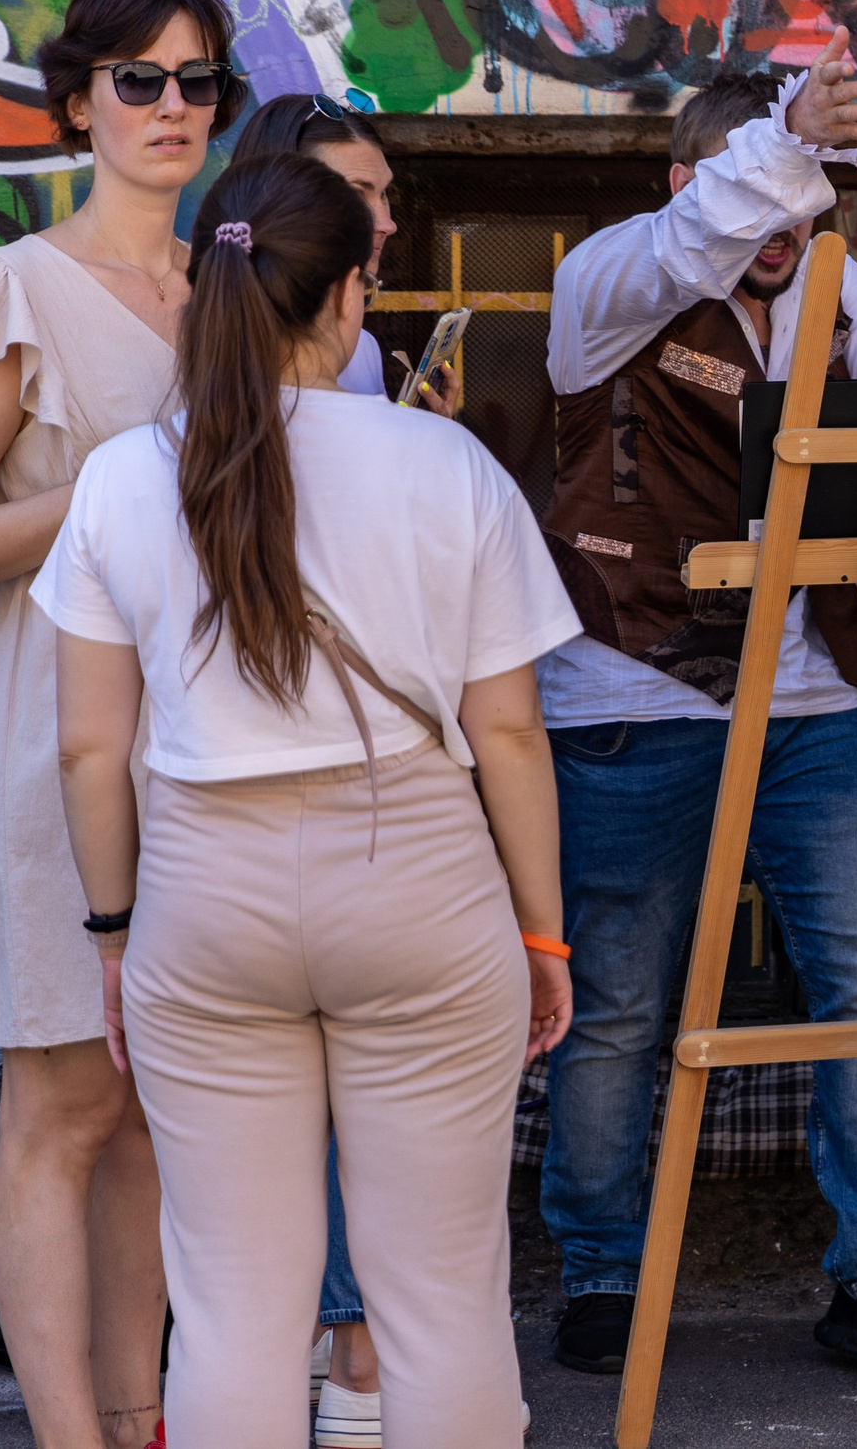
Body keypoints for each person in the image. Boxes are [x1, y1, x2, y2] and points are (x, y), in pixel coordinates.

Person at [35, 151, 580, 1448]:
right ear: (352, 294)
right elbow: (507, 729)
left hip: (203, 893)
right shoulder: (443, 465)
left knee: (232, 1309)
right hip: (420, 879)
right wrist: (544, 931)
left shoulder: (123, 479)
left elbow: (88, 754)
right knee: (440, 1295)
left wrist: (114, 938)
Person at [534, 41, 857, 1377]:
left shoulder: (843, 287)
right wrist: (780, 141)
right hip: (634, 693)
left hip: (817, 697)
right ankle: (601, 1268)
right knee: (619, 1005)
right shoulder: (610, 279)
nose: (783, 226)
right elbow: (698, 237)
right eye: (759, 195)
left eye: (808, 200)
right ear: (688, 183)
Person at [0, 0, 242, 1449]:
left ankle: (142, 1423)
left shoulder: (224, 294)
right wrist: (112, 495)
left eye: (196, 81)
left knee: (145, 1113)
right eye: (139, 80)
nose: (172, 106)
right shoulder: (14, 284)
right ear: (77, 104)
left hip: (203, 747)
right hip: (48, 743)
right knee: (62, 1106)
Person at [228, 88, 459, 1448]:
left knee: (361, 1093)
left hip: (362, 764)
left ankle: (355, 1349)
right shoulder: (216, 354)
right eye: (355, 193)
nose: (380, 218)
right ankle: (343, 1357)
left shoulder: (361, 362)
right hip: (262, 772)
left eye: (384, 193)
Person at [231, 91, 461, 415]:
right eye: (355, 194)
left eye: (384, 194)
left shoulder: (363, 348)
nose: (387, 223)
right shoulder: (208, 342)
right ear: (278, 201)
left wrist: (420, 434)